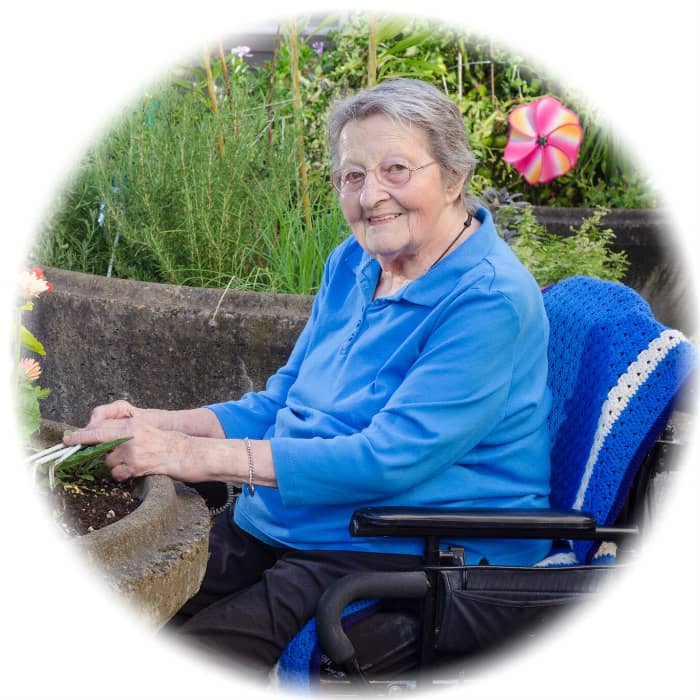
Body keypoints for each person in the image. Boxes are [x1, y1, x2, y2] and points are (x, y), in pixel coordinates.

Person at [63, 78, 552, 679]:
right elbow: (282, 401)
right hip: (294, 517)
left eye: (396, 169)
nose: (372, 195)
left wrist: (192, 456)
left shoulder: (489, 301)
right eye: (353, 176)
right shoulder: (353, 261)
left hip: (404, 541)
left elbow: (387, 459)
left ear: (453, 177)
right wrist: (156, 425)